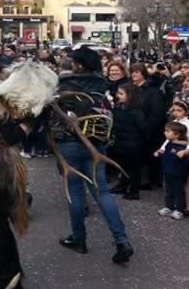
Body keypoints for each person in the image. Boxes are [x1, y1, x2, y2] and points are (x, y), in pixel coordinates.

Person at [55, 46, 133, 264]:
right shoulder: (102, 84)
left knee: (75, 192)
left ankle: (79, 239)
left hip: (69, 143)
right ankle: (122, 240)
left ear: (79, 64)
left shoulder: (64, 84)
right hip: (96, 143)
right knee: (102, 191)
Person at [130, 63, 167, 190]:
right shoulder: (131, 88)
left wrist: (148, 128)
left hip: (148, 129)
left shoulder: (153, 91)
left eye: (137, 72)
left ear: (143, 74)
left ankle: (146, 180)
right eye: (132, 71)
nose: (134, 74)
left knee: (147, 157)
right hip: (133, 128)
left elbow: (156, 112)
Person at [109, 84, 147, 200]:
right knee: (123, 166)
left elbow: (143, 128)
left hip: (133, 144)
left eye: (121, 94)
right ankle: (123, 185)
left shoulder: (136, 112)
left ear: (130, 96)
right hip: (121, 142)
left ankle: (134, 191)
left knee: (134, 169)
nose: (118, 96)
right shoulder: (118, 107)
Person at [154, 122, 189, 219]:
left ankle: (179, 210)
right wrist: (160, 154)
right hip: (167, 171)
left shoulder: (182, 148)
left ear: (177, 134)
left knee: (179, 191)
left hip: (178, 173)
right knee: (168, 190)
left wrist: (182, 156)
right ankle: (168, 207)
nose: (165, 133)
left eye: (168, 131)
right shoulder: (169, 143)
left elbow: (186, 161)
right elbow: (167, 154)